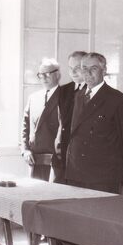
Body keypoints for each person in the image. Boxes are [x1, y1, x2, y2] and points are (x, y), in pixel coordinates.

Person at [65, 52, 123, 193]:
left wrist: (110, 163)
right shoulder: (78, 96)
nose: (87, 73)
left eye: (93, 69)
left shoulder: (117, 99)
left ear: (104, 70)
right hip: (76, 173)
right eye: (84, 68)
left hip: (103, 176)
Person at [21, 58, 61, 181]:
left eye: (47, 74)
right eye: (40, 75)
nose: (43, 78)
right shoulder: (33, 98)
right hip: (34, 159)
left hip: (55, 162)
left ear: (57, 75)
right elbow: (25, 126)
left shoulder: (66, 97)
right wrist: (25, 150)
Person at [54, 51, 87, 183]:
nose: (73, 72)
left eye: (77, 68)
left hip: (83, 156)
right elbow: (61, 122)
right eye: (70, 68)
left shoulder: (93, 91)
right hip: (63, 154)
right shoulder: (64, 90)